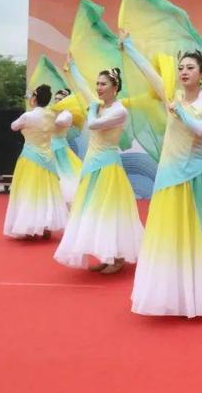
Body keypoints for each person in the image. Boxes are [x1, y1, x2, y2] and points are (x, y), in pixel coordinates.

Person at [121, 33, 202, 317]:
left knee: (199, 235)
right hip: (169, 177)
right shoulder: (172, 97)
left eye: (190, 68)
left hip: (195, 177)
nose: (183, 72)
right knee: (170, 236)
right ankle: (176, 295)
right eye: (181, 67)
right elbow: (149, 73)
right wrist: (130, 46)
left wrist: (181, 110)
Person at [54, 59, 143, 274]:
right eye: (98, 84)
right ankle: (108, 254)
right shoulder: (98, 105)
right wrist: (72, 69)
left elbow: (93, 123)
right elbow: (84, 90)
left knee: (109, 210)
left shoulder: (119, 111)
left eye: (103, 84)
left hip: (108, 167)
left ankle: (119, 258)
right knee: (92, 210)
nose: (98, 88)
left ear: (115, 87)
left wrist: (92, 107)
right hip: (92, 164)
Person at [4, 85, 68, 239]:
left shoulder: (28, 116)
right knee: (46, 192)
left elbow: (13, 127)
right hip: (48, 158)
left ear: (34, 98)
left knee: (29, 192)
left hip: (30, 158)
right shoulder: (52, 116)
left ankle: (30, 226)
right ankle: (45, 226)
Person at [50, 88, 82, 205]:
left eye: (61, 99)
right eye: (56, 99)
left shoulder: (66, 114)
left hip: (59, 149)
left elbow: (58, 122)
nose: (57, 101)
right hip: (48, 148)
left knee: (64, 176)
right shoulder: (53, 112)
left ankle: (66, 202)